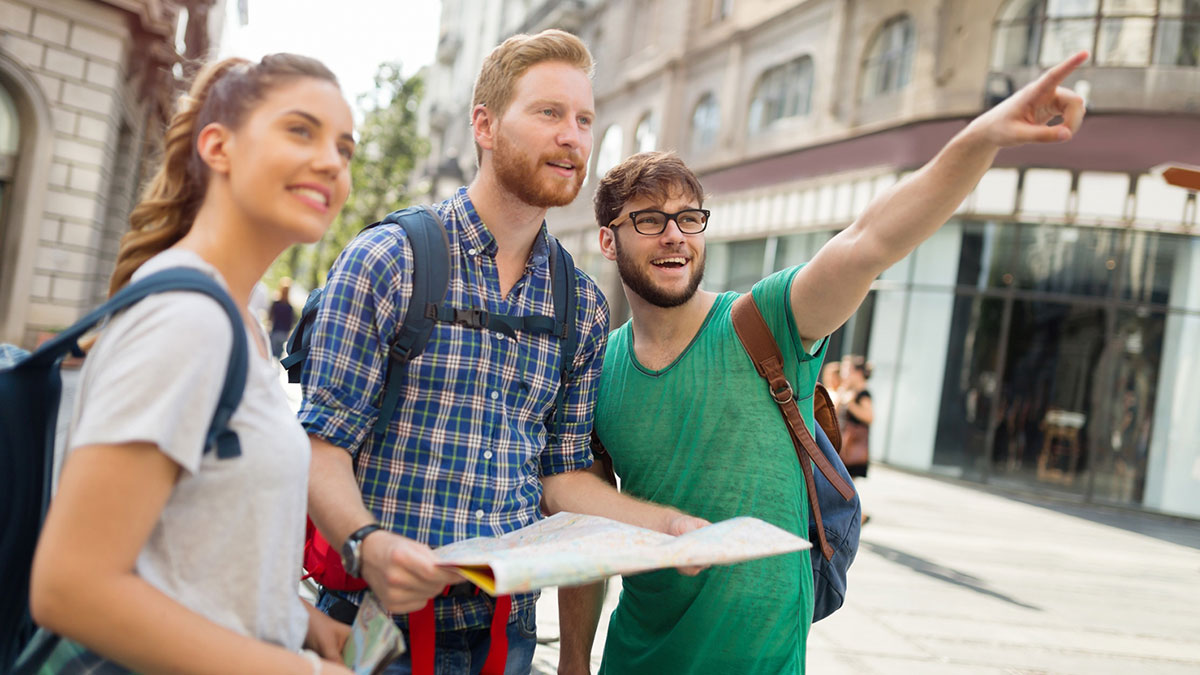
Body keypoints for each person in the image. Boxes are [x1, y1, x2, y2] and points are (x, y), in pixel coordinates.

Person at [558, 51, 1088, 675]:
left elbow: (872, 238)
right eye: (649, 220)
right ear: (607, 239)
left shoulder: (765, 321)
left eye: (689, 218)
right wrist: (572, 662)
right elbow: (585, 530)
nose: (674, 234)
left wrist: (986, 134)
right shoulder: (597, 371)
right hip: (636, 659)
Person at [298, 29, 705, 674]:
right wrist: (368, 544)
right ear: (484, 125)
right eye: (549, 113)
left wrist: (664, 525)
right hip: (372, 626)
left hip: (504, 637)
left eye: (584, 119)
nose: (573, 135)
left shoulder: (582, 305)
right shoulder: (389, 261)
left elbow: (563, 475)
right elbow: (322, 445)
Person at [24, 55, 357, 674]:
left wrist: (296, 620)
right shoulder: (188, 319)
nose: (332, 162)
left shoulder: (238, 324)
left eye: (345, 147)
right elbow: (70, 588)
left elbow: (188, 540)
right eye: (300, 130)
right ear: (218, 146)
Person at [837, 354, 873, 480]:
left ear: (857, 373)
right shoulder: (848, 391)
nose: (843, 375)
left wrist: (850, 404)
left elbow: (869, 417)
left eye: (847, 371)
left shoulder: (863, 394)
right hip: (845, 444)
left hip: (853, 445)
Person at [269, 277, 296, 357]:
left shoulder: (276, 303)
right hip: (284, 333)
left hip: (275, 331)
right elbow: (291, 322)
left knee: (271, 354)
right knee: (278, 356)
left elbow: (270, 317)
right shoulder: (289, 307)